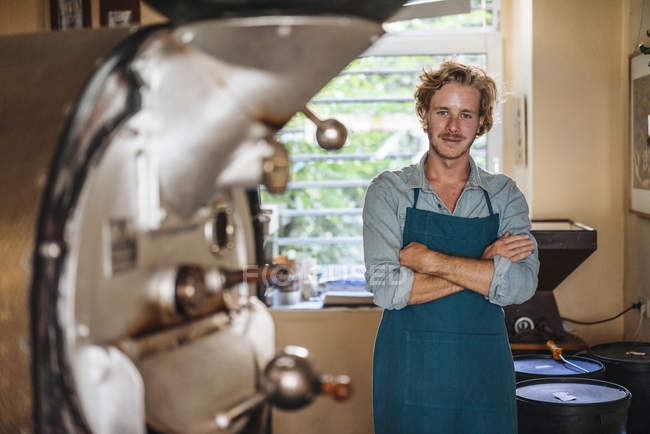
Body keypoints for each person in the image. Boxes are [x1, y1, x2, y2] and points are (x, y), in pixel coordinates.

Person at [363, 61, 539, 434]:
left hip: (483, 374)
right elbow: (386, 289)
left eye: (466, 114)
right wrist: (485, 266)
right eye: (443, 112)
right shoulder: (389, 192)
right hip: (408, 371)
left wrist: (428, 262)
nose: (453, 127)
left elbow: (520, 286)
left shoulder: (504, 195)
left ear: (481, 122)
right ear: (424, 115)